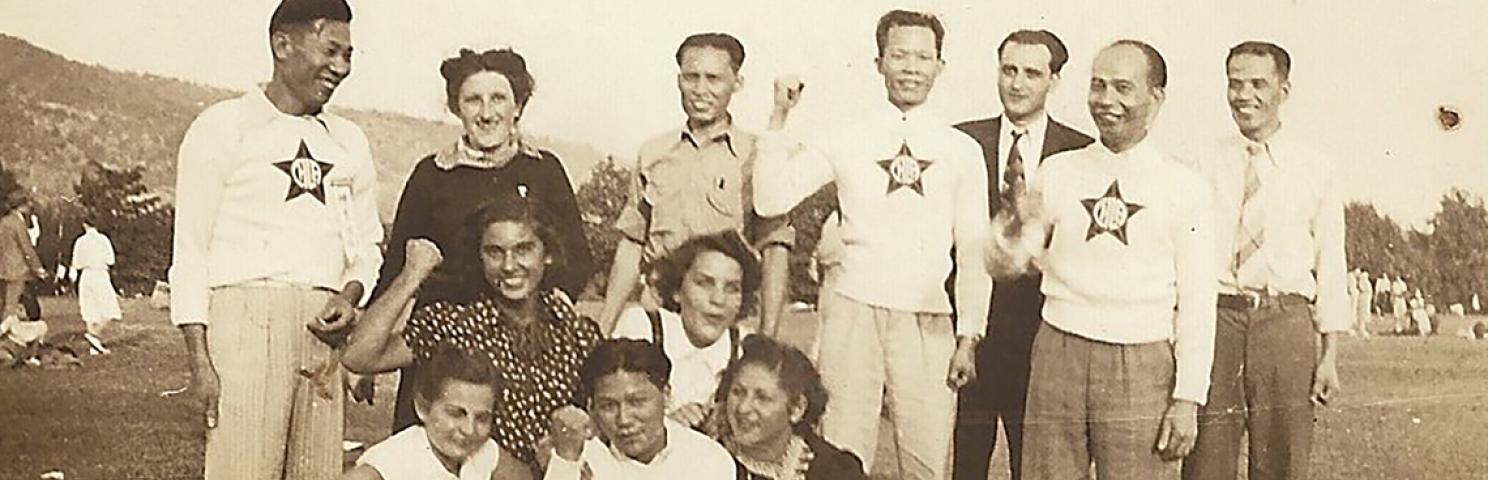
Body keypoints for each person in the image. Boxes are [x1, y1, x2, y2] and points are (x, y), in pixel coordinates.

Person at [753, 10, 991, 478]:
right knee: (841, 449)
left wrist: (970, 335)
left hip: (928, 319)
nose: (911, 67)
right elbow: (770, 197)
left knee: (926, 459)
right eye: (899, 55)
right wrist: (779, 116)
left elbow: (973, 249)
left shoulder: (961, 149)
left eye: (924, 57)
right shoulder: (846, 135)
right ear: (878, 61)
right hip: (852, 310)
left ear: (940, 67)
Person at [168, 0, 384, 476]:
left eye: (349, 55)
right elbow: (191, 251)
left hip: (324, 330)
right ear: (282, 44)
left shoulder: (347, 141)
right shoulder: (222, 126)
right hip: (245, 320)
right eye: (330, 51)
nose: (341, 67)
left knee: (318, 472)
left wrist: (350, 298)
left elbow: (366, 245)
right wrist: (199, 361)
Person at [998, 40, 1215, 479]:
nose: (1107, 101)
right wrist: (1004, 245)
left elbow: (1197, 300)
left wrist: (1188, 397)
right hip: (1058, 350)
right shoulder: (1059, 171)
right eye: (1098, 86)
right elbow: (1014, 255)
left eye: (1122, 88)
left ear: (1156, 98)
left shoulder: (1184, 186)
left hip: (1140, 362)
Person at [375, 46, 594, 435]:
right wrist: (374, 354)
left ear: (518, 107)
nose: (486, 112)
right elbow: (397, 267)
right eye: (473, 100)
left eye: (498, 99)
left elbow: (576, 258)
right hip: (441, 347)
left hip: (521, 351)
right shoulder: (432, 175)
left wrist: (554, 308)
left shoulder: (543, 171)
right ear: (456, 108)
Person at [343, 197, 603, 475]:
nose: (509, 265)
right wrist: (412, 274)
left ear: (547, 253)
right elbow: (359, 356)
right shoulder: (454, 325)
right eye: (494, 252)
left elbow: (605, 416)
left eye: (523, 249)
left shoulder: (577, 332)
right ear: (479, 257)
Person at [1183, 41, 1347, 480]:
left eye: (1258, 84)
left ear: (1284, 90)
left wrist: (1329, 353)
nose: (1244, 95)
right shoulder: (1201, 162)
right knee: (1206, 461)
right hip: (1218, 320)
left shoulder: (1315, 167)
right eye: (1235, 84)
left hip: (1284, 322)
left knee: (1282, 460)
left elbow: (1331, 259)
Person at [950, 29, 1094, 480]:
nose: (1017, 83)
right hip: (972, 330)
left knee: (1032, 463)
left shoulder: (1080, 152)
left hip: (1040, 335)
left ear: (1054, 81)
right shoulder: (962, 141)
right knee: (966, 459)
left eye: (1032, 73)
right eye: (1009, 70)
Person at [597, 32, 793, 337]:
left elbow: (775, 249)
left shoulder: (757, 155)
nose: (701, 90)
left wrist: (767, 339)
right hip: (658, 317)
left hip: (722, 321)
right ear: (679, 81)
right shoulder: (653, 152)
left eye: (713, 78)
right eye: (692, 77)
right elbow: (632, 244)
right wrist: (604, 327)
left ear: (737, 83)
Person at [611, 230, 760, 428]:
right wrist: (666, 426)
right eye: (704, 283)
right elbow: (613, 412)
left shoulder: (744, 348)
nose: (718, 299)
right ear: (677, 291)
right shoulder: (642, 328)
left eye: (732, 288)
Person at [544, 339, 736, 479]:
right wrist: (565, 462)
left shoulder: (707, 460)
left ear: (666, 395)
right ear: (591, 408)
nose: (624, 419)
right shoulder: (581, 458)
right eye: (608, 406)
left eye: (637, 402)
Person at [343, 348, 533, 480]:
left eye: (482, 418)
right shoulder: (396, 459)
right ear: (423, 408)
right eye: (456, 413)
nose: (469, 429)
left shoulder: (482, 449)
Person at [711, 334, 867, 480]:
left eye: (762, 398)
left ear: (797, 409)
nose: (743, 408)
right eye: (738, 392)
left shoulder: (834, 469)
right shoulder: (709, 457)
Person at [70, 219, 122, 355]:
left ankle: (94, 346)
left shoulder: (80, 241)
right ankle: (94, 336)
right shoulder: (103, 240)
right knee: (110, 309)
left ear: (84, 225)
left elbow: (76, 263)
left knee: (90, 309)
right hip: (100, 274)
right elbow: (111, 260)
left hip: (86, 276)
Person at [1, 198, 44, 324]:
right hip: (17, 269)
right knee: (11, 307)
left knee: (5, 304)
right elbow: (26, 248)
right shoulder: (18, 223)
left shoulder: (4, 221)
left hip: (3, 269)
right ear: (22, 206)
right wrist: (38, 268)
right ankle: (6, 338)